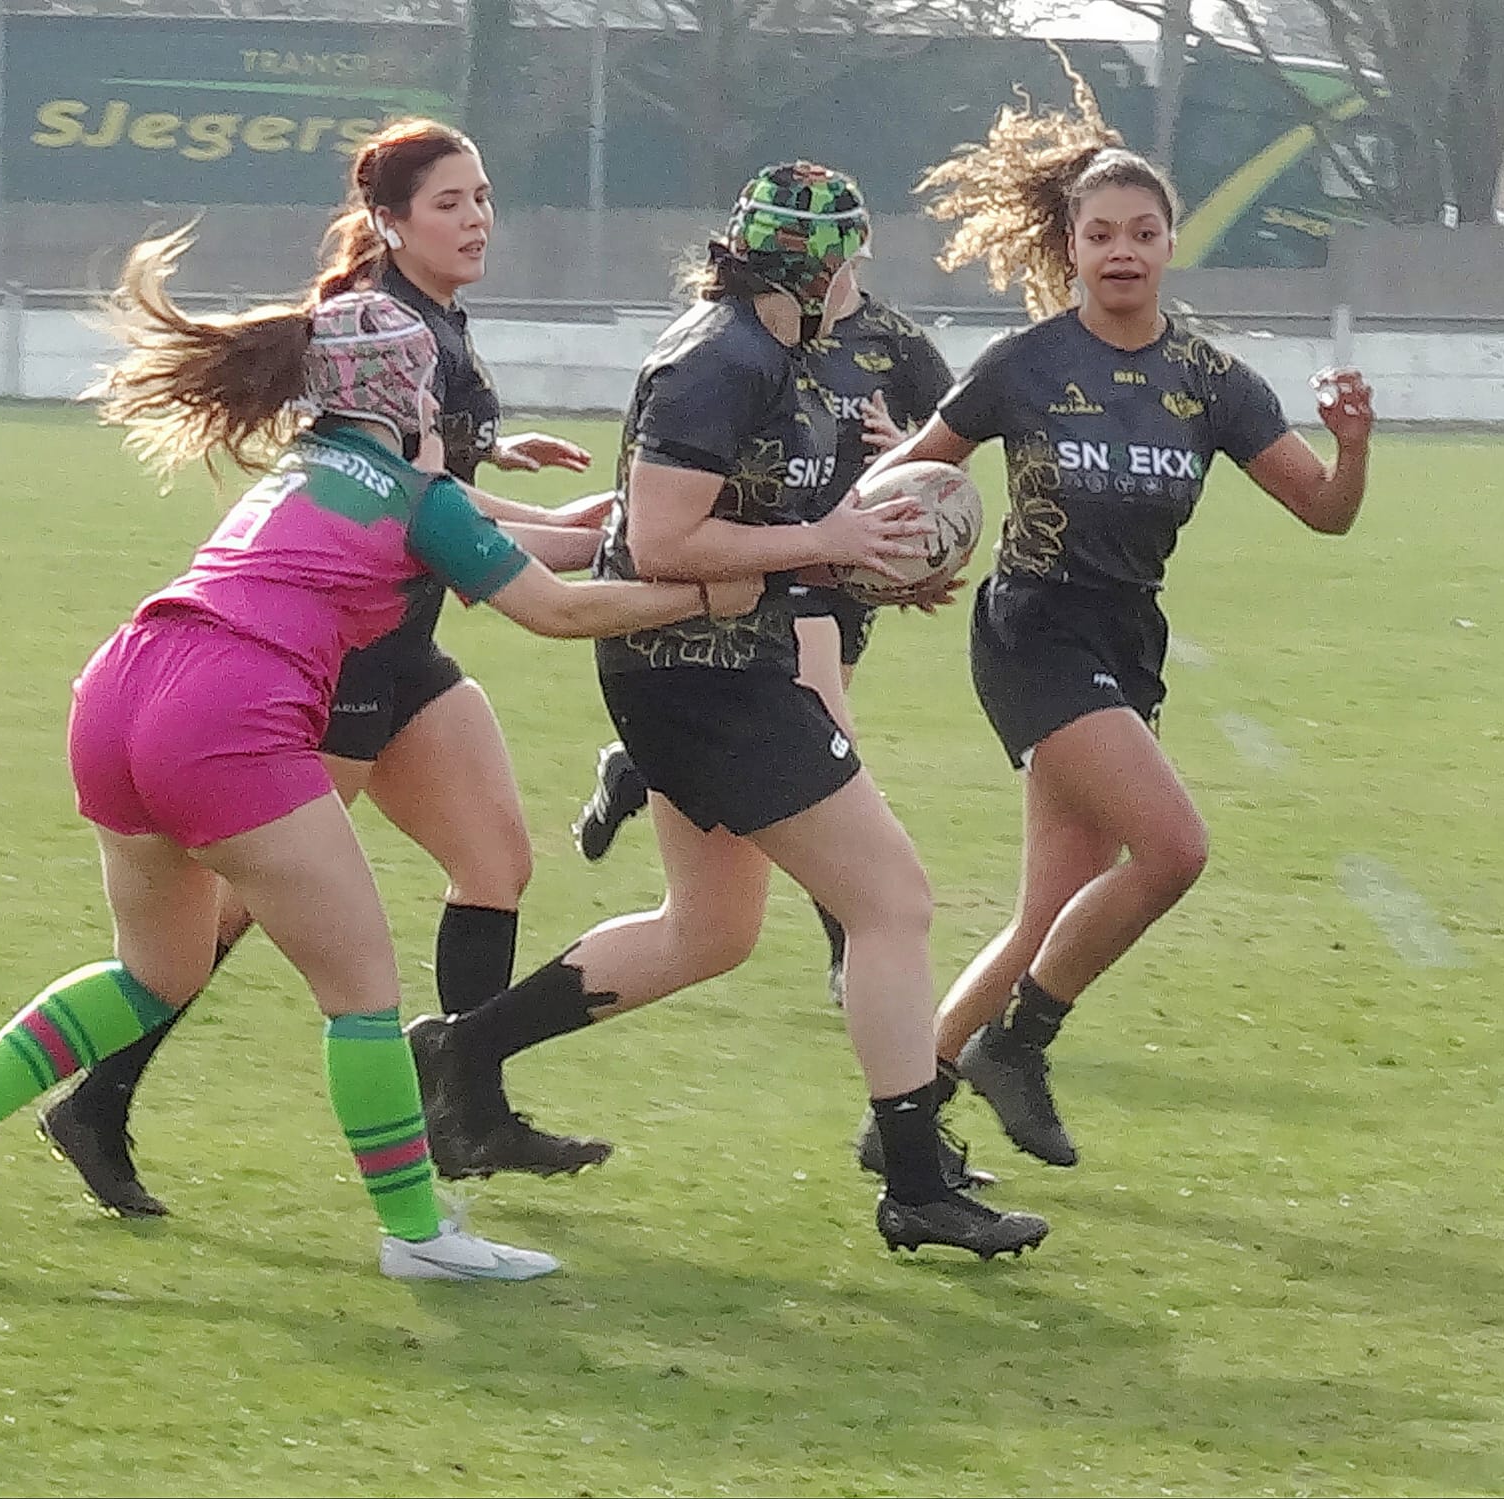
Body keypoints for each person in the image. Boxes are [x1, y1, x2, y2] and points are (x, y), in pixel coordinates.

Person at [0, 248, 757, 1280]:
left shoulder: (307, 466)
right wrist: (707, 594)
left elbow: (544, 544)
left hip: (119, 690)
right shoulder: (419, 496)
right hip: (224, 711)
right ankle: (419, 1236)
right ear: (409, 395)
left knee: (155, 972)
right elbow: (555, 609)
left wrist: (679, 539)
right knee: (361, 994)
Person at [417, 161, 1052, 1259]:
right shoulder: (721, 357)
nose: (854, 279)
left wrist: (865, 560)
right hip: (703, 675)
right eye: (846, 260)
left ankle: (464, 1049)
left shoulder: (768, 349)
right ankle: (914, 1181)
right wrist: (830, 541)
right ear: (811, 266)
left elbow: (761, 522)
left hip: (712, 666)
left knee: (709, 931)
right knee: (891, 902)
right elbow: (663, 540)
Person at [37, 118, 608, 1220]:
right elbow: (378, 479)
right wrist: (560, 527)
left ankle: (468, 1108)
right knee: (243, 909)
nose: (477, 218)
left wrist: (498, 454)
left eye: (483, 197)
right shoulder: (385, 318)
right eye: (449, 202)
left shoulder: (432, 317)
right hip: (338, 663)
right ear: (389, 221)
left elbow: (419, 473)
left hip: (406, 651)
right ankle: (98, 1102)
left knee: (494, 859)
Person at [851, 70, 1376, 1172]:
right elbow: (908, 478)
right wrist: (882, 536)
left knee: (1049, 908)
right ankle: (1017, 1046)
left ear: (1171, 244)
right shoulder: (1027, 363)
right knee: (1174, 848)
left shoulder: (1212, 381)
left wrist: (1353, 445)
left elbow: (1325, 512)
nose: (1122, 250)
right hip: (1034, 628)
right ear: (1072, 247)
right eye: (1101, 234)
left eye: (1143, 232)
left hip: (1125, 638)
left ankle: (900, 1124)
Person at [568, 255, 958, 1014]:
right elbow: (683, 491)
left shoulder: (896, 341)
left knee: (726, 904)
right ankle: (854, 946)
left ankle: (638, 768)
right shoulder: (754, 343)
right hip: (775, 577)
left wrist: (903, 452)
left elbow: (944, 451)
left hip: (842, 575)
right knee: (831, 762)